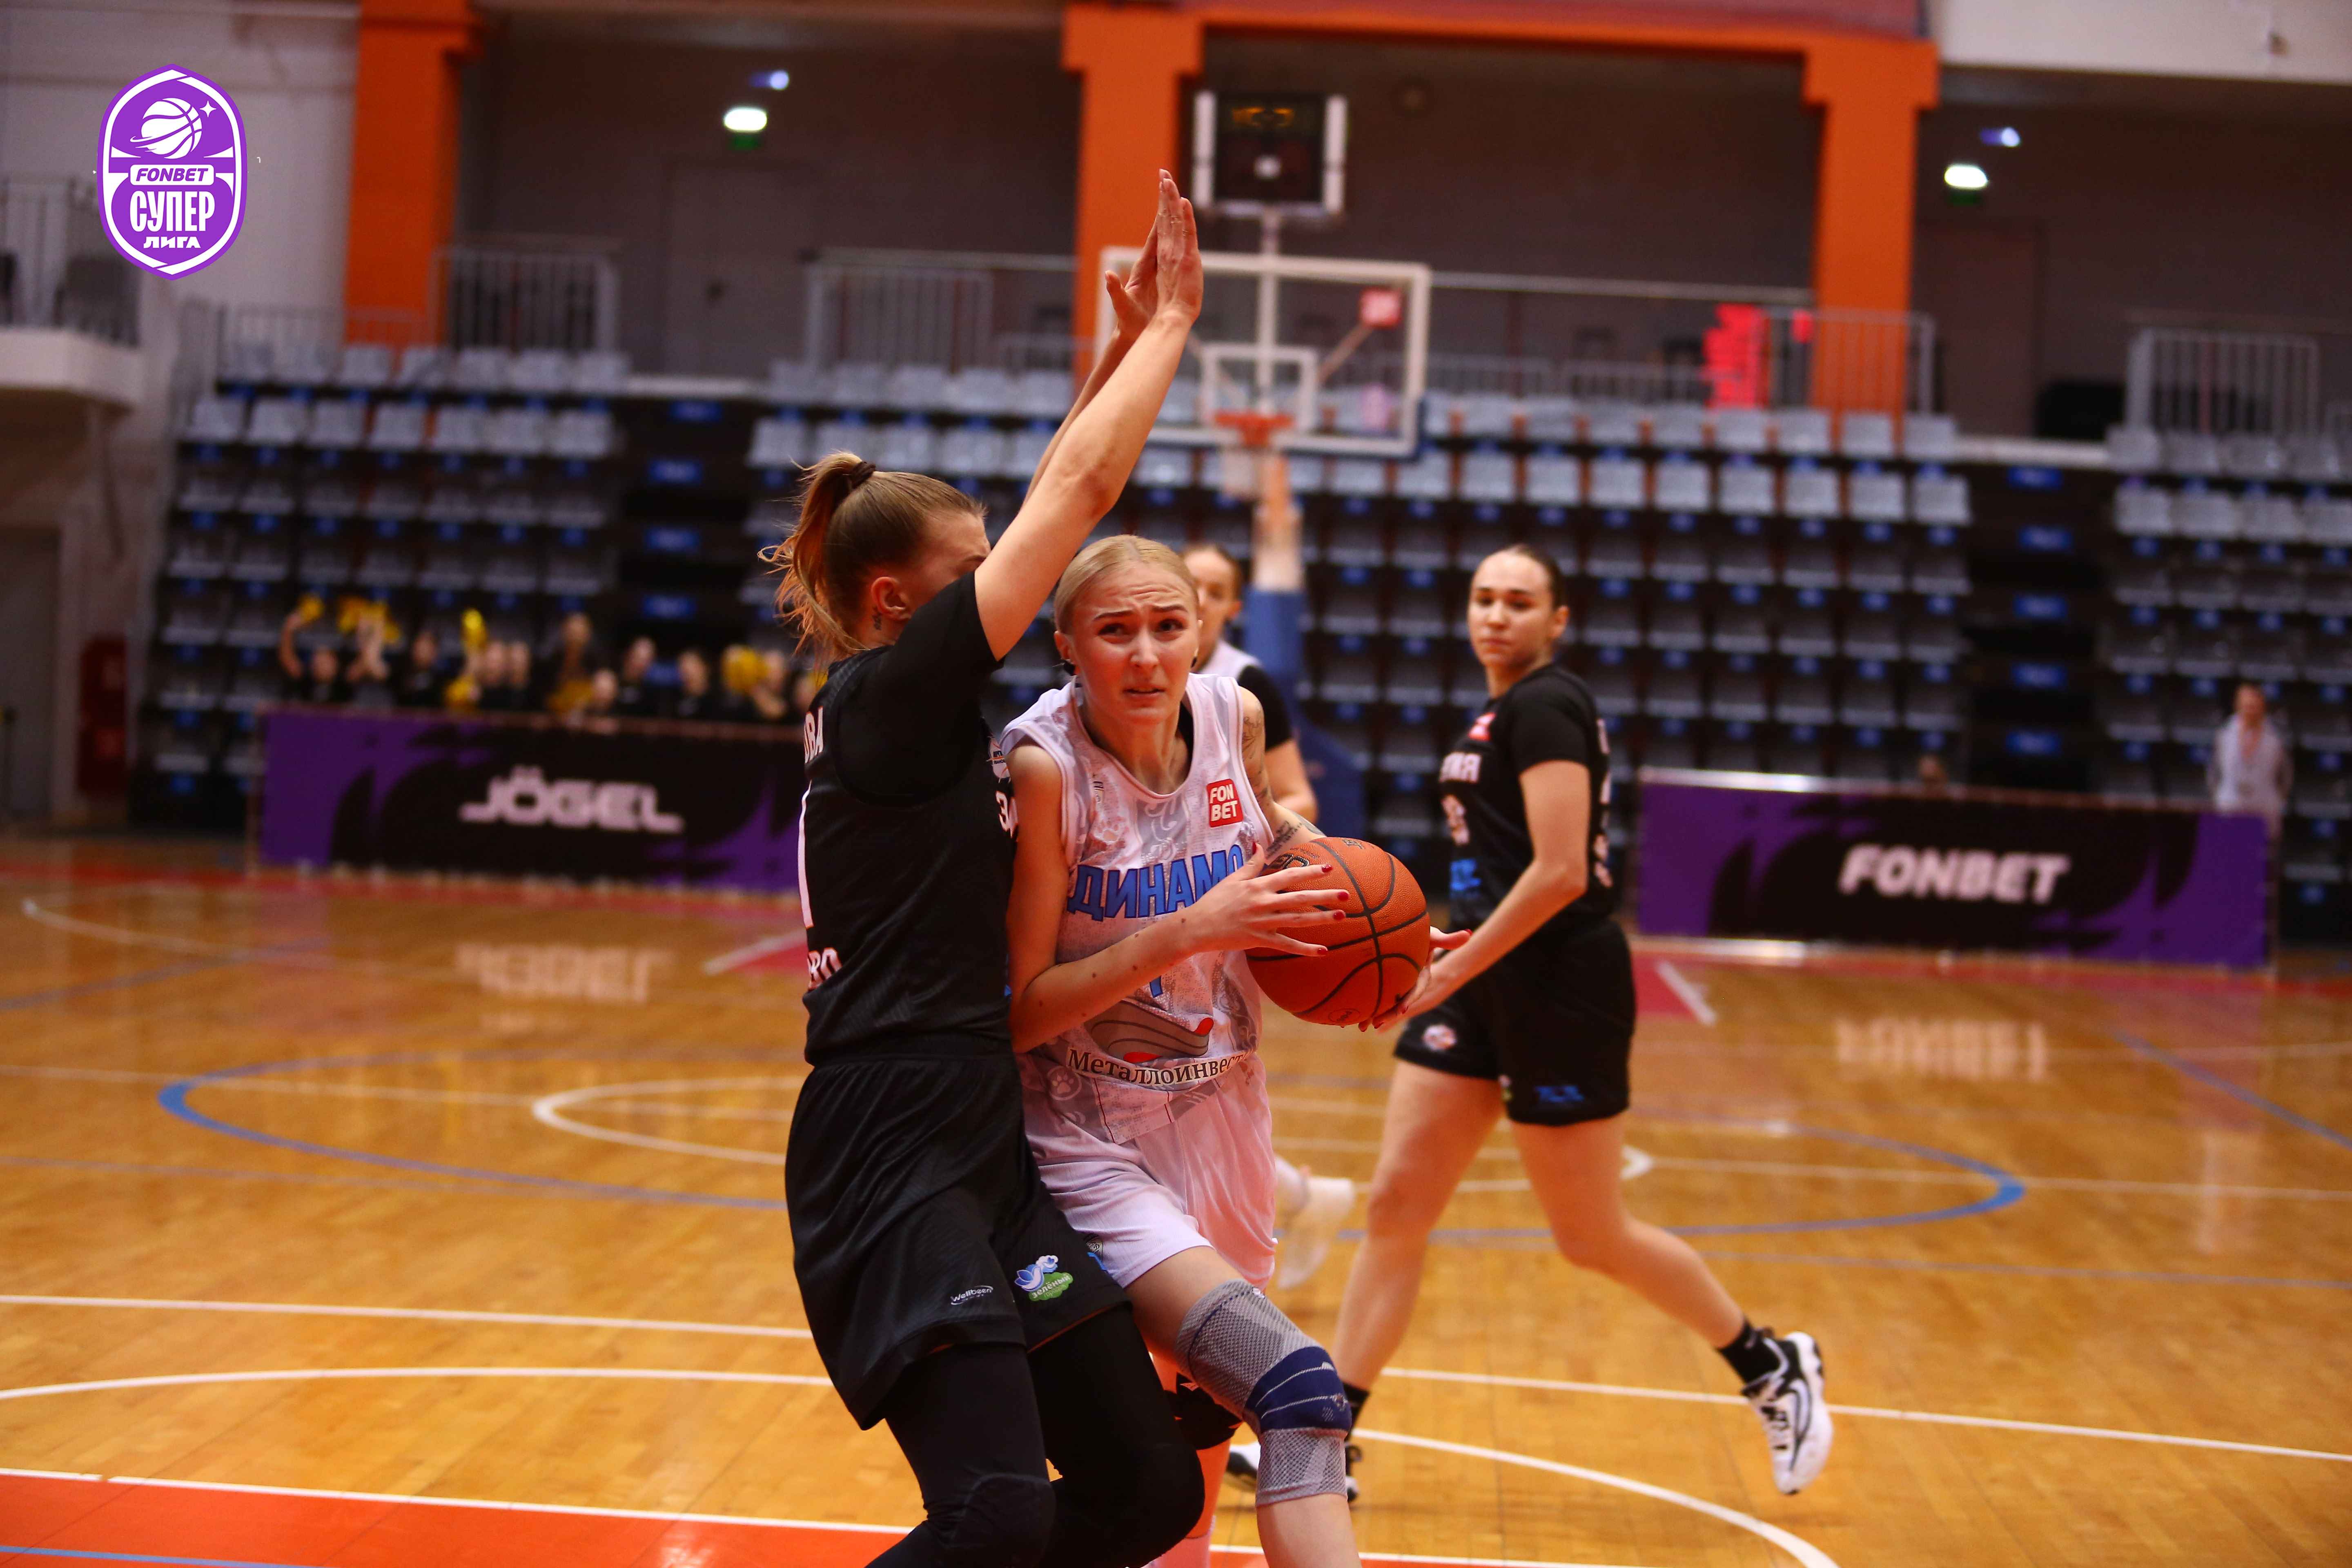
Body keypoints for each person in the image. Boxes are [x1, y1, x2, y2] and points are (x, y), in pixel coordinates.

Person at [774, 172, 1207, 1568]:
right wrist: (1172, 330)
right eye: (972, 581)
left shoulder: (908, 701)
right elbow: (1074, 500)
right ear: (896, 602)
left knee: (1148, 1492)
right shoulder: (888, 697)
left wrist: (1114, 354)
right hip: (890, 1137)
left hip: (975, 1127)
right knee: (996, 1509)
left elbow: (1044, 506)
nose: (1001, 594)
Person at [1323, 545, 1833, 1499]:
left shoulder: (1547, 704)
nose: (1496, 615)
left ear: (1557, 620)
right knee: (1396, 1205)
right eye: (1483, 598)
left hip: (1559, 981)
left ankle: (1769, 1362)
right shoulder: (1495, 712)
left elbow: (1560, 873)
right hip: (1482, 975)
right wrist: (1443, 946)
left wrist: (1453, 964)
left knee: (1590, 1233)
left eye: (1519, 602)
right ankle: (1328, 1434)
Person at [1006, 538, 1448, 1568]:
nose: (1146, 654)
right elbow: (1018, 1010)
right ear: (1066, 644)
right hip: (1092, 1149)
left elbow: (1272, 836)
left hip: (1226, 1125)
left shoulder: (1232, 718)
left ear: (1201, 632)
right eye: (1115, 631)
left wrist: (1380, 944)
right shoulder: (1045, 769)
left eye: (1169, 626)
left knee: (1189, 1479)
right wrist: (1187, 930)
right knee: (1298, 1391)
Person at [2210, 682, 2292, 827]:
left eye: (2254, 707)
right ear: (2238, 706)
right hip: (2230, 807)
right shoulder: (2224, 735)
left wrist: (2277, 800)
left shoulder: (2277, 738)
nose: (2251, 711)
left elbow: (2286, 776)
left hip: (2265, 810)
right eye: (2247, 706)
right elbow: (2213, 773)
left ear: (2263, 707)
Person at [276, 603, 343, 704]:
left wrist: (289, 629)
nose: (322, 665)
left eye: (324, 663)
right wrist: (288, 629)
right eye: (321, 663)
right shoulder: (306, 678)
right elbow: (287, 659)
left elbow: (287, 658)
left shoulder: (342, 682)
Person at [394, 628, 444, 710]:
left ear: (435, 652)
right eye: (419, 648)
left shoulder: (443, 678)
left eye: (427, 648)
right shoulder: (399, 674)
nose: (422, 653)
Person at [614, 637, 662, 718]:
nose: (641, 664)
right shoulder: (612, 683)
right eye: (638, 657)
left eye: (646, 660)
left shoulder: (653, 693)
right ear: (628, 655)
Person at [668, 647, 715, 721]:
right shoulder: (671, 700)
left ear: (706, 668)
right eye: (682, 666)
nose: (687, 671)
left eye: (693, 665)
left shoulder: (718, 701)